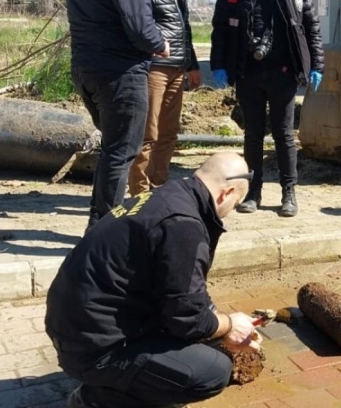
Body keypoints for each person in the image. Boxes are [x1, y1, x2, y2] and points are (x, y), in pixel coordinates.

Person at [45, 152, 262, 408]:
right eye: (235, 206)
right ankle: (96, 400)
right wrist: (229, 325)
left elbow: (183, 292)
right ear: (225, 193)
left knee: (204, 337)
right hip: (91, 348)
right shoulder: (184, 226)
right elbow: (187, 320)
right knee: (212, 372)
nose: (229, 214)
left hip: (76, 330)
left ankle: (121, 379)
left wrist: (214, 318)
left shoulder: (169, 196)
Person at [61, 0, 169, 231]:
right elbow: (139, 26)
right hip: (120, 72)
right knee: (121, 152)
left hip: (86, 69)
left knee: (113, 148)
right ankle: (103, 231)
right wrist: (160, 43)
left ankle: (101, 223)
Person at [210, 0, 324, 218]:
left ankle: (289, 193)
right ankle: (253, 192)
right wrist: (218, 65)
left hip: (283, 74)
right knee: (253, 135)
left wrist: (317, 65)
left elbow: (311, 27)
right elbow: (220, 31)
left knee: (284, 135)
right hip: (248, 73)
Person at [129, 0, 202, 197]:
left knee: (168, 135)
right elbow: (139, 19)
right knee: (148, 135)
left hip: (176, 66)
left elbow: (181, 22)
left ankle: (157, 193)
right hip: (153, 66)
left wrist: (192, 64)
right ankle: (139, 196)